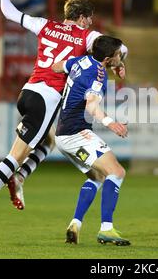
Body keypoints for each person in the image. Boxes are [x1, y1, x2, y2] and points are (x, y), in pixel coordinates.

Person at [0, 0, 127, 224]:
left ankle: (19, 179)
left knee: (50, 140)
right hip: (47, 99)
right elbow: (120, 48)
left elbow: (9, 13)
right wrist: (119, 62)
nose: (90, 22)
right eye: (89, 17)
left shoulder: (45, 25)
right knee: (16, 156)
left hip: (28, 92)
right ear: (82, 17)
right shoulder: (87, 36)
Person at [51, 35, 130, 246]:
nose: (120, 56)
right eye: (117, 54)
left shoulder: (80, 61)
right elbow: (91, 106)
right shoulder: (97, 76)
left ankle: (75, 224)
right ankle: (107, 228)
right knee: (117, 171)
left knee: (97, 177)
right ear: (107, 58)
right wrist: (110, 122)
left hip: (63, 134)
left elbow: (57, 67)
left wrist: (118, 65)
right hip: (77, 134)